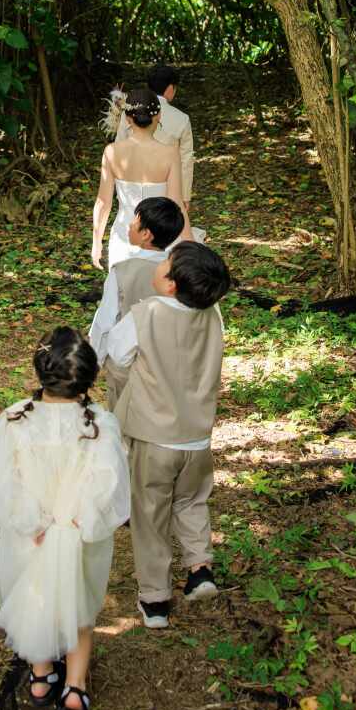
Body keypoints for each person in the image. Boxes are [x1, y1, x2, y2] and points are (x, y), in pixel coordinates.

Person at [0, 326, 130, 710]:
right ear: (88, 379)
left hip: (31, 534)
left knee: (35, 593)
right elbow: (109, 484)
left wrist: (32, 521)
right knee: (76, 600)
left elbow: (2, 482)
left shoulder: (14, 419)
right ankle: (75, 688)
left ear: (41, 371)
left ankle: (42, 675)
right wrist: (80, 519)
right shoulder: (100, 424)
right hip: (76, 534)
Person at [106, 241, 231, 629]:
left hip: (153, 437)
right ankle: (199, 569)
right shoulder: (213, 316)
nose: (159, 264)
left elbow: (118, 354)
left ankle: (155, 599)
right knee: (192, 500)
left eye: (166, 263)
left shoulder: (146, 314)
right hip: (197, 437)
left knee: (149, 514)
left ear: (172, 284)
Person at [88, 196, 184, 408]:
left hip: (128, 366)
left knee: (123, 422)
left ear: (145, 234)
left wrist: (94, 360)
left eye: (135, 221)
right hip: (171, 366)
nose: (130, 224)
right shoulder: (182, 271)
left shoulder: (123, 271)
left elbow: (105, 320)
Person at [92, 88, 190, 270]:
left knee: (124, 293)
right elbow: (177, 204)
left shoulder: (112, 152)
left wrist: (96, 242)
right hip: (162, 238)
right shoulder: (170, 154)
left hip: (125, 236)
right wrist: (190, 243)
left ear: (127, 118)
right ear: (159, 116)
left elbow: (103, 202)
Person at [116, 65, 194, 209]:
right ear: (170, 88)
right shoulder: (182, 119)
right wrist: (184, 196)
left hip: (131, 189)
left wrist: (121, 189)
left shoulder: (129, 112)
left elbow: (118, 151)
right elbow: (186, 160)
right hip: (167, 191)